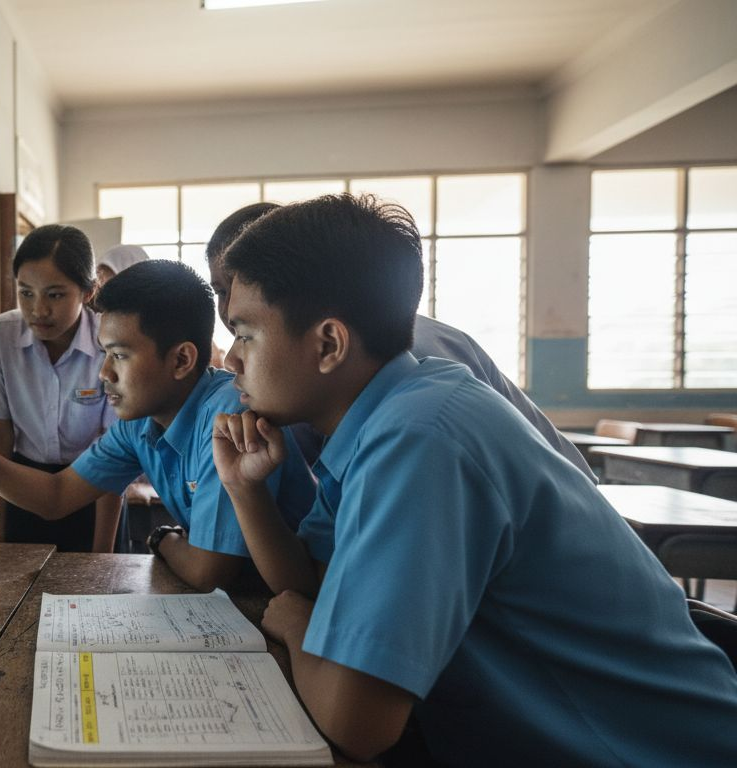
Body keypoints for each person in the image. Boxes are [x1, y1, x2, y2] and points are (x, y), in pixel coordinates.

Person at [212, 194, 737, 764]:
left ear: (329, 344)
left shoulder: (421, 436)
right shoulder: (383, 416)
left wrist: (297, 628)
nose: (231, 362)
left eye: (245, 334)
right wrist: (246, 488)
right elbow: (308, 581)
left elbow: (357, 724)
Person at [0, 259, 317, 591]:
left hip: (288, 601)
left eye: (119, 355)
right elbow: (57, 495)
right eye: (102, 353)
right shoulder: (141, 423)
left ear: (182, 360)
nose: (103, 374)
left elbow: (209, 570)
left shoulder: (225, 415)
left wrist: (162, 540)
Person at [205, 201, 594, 479]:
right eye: (219, 292)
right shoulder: (314, 379)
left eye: (246, 327)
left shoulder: (404, 387)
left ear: (328, 344)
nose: (224, 313)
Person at [0, 224, 121, 552]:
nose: (38, 310)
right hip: (22, 486)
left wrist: (102, 553)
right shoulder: (0, 336)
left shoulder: (111, 343)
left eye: (55, 294)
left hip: (96, 489)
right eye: (26, 292)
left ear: (88, 292)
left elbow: (115, 455)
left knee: (96, 595)